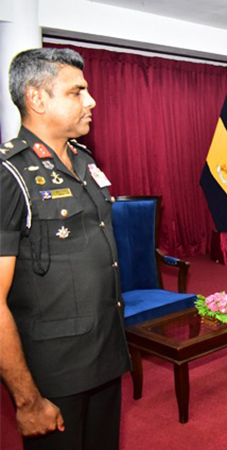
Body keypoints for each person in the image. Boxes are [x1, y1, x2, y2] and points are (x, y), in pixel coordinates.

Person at [0, 48, 130, 449]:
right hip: (56, 372)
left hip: (104, 352)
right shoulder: (9, 175)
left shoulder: (84, 160)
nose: (91, 101)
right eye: (77, 92)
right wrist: (27, 399)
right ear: (37, 98)